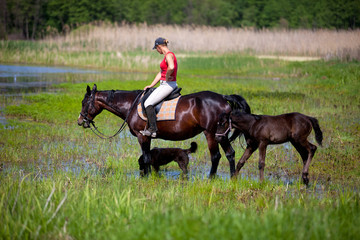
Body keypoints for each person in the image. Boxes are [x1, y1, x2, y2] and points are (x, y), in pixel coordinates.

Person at [140, 37, 178, 137]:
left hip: (168, 85)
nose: (157, 51)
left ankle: (153, 130)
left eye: (156, 49)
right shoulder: (166, 55)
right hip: (165, 84)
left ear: (159, 47)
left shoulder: (169, 55)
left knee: (148, 103)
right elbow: (161, 72)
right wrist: (152, 85)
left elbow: (171, 67)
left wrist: (166, 76)